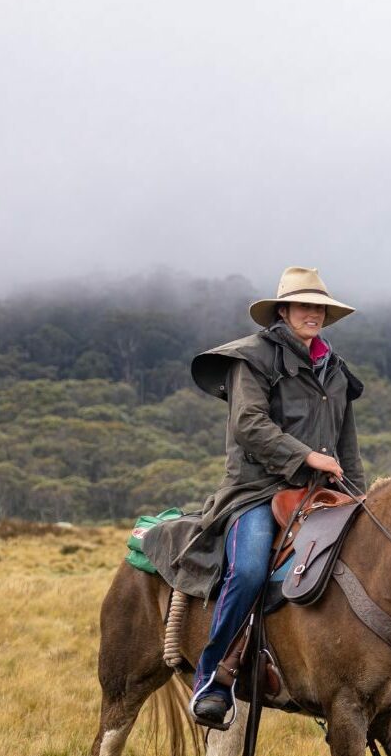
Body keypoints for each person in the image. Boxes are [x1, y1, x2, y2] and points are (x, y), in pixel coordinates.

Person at [142, 266, 365, 728]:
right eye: (305, 305)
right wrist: (307, 457)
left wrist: (358, 499)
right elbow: (249, 424)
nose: (313, 314)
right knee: (247, 570)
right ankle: (213, 680)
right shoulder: (252, 359)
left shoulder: (335, 371)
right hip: (257, 492)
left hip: (323, 495)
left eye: (320, 307)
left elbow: (347, 447)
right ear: (282, 310)